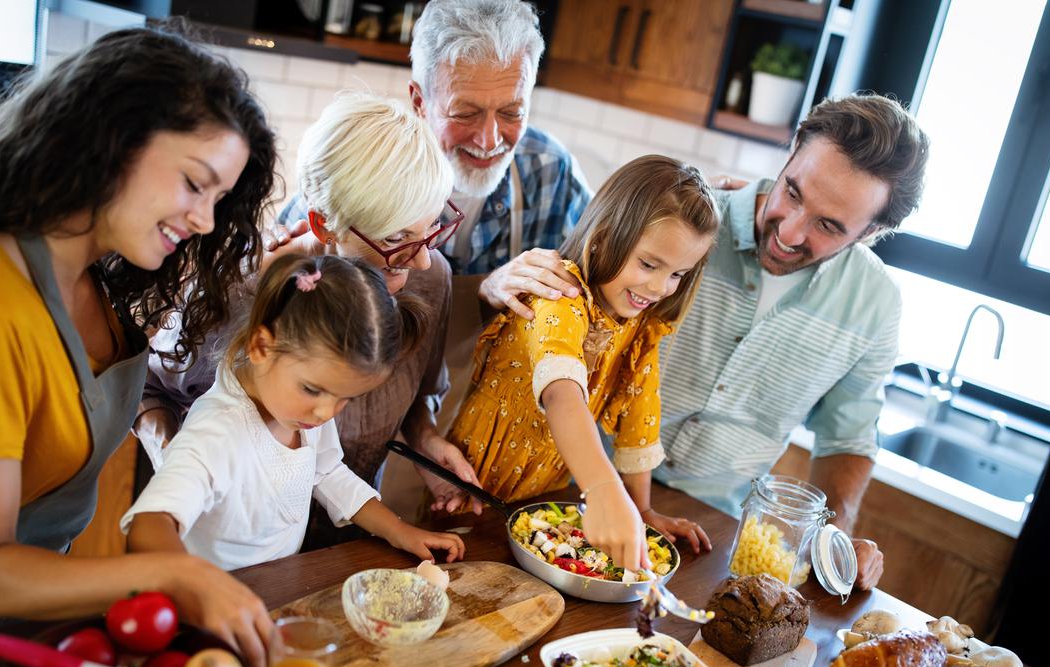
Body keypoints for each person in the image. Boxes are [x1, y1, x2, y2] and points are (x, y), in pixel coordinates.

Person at [0, 25, 279, 667]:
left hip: (26, 632)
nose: (204, 220)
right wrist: (172, 576)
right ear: (112, 141)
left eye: (219, 200)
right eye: (195, 183)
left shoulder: (94, 280)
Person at [137, 92, 485, 526]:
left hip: (351, 530)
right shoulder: (238, 290)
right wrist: (177, 466)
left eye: (433, 227)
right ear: (324, 223)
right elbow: (151, 390)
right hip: (231, 536)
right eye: (395, 239)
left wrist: (427, 442)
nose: (422, 260)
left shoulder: (431, 279)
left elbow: (417, 395)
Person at [655, 94, 931, 592]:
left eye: (828, 225)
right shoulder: (679, 221)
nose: (789, 230)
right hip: (588, 483)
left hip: (709, 536)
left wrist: (835, 544)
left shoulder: (875, 303)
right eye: (794, 192)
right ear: (791, 151)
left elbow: (846, 441)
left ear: (873, 231)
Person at [446, 156, 717, 571]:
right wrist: (606, 490)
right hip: (464, 496)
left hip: (538, 505)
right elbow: (560, 394)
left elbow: (639, 421)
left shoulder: (639, 327)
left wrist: (641, 510)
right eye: (648, 264)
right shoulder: (560, 295)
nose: (660, 287)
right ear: (606, 238)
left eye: (679, 274)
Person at [122, 255, 466, 569]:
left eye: (345, 398)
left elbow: (327, 471)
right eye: (313, 389)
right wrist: (199, 585)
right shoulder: (217, 432)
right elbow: (150, 525)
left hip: (279, 584)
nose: (325, 412)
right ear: (261, 346)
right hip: (215, 599)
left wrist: (398, 531)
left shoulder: (301, 411)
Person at [270, 0, 592, 317]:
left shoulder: (551, 170)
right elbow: (285, 261)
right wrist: (272, 247)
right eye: (465, 114)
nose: (490, 139)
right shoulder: (367, 164)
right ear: (419, 101)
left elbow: (611, 284)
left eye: (512, 112)